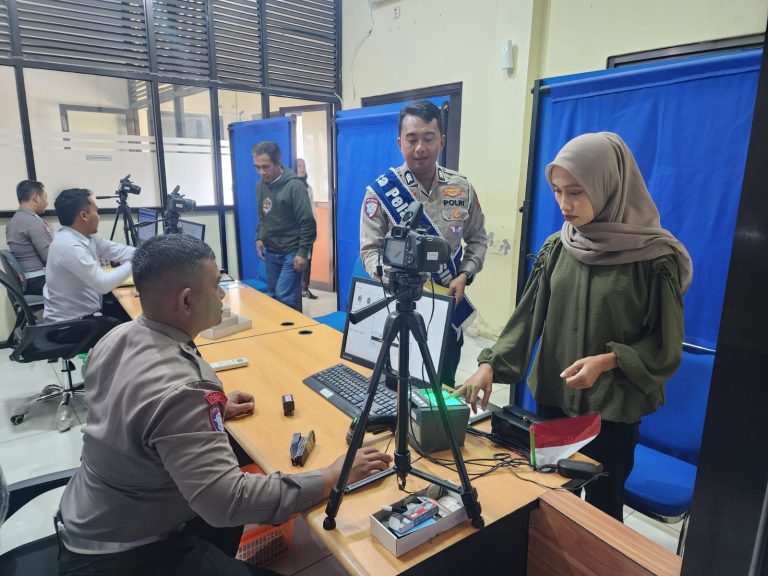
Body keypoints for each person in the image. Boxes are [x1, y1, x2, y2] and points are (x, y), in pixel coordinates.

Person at [57, 234, 392, 576]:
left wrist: (207, 412)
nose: (221, 295)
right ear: (186, 301)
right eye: (216, 285)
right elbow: (228, 502)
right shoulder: (184, 390)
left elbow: (139, 413)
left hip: (95, 517)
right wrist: (330, 476)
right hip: (130, 556)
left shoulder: (115, 338)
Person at [454, 132, 693, 521]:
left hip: (611, 411)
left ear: (608, 187)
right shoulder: (558, 248)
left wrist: (609, 361)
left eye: (576, 192)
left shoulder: (652, 260)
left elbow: (665, 344)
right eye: (557, 191)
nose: (564, 204)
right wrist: (490, 365)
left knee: (601, 512)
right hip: (555, 399)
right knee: (550, 499)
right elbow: (527, 316)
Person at [359, 100, 488, 387]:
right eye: (411, 139)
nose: (420, 148)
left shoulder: (462, 188)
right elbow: (370, 252)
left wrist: (464, 275)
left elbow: (478, 240)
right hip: (399, 310)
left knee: (440, 388)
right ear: (399, 143)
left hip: (447, 310)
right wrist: (395, 278)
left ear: (441, 141)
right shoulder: (381, 192)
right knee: (396, 390)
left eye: (428, 138)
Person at [44, 188, 135, 345]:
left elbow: (115, 250)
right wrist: (137, 261)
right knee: (130, 331)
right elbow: (103, 284)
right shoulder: (69, 246)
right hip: (68, 325)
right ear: (84, 216)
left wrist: (147, 250)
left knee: (127, 315)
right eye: (96, 212)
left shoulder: (86, 237)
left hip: (84, 315)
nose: (98, 217)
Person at [253, 142, 317, 312]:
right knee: (273, 297)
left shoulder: (294, 186)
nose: (261, 172)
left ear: (277, 163)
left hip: (292, 251)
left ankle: (296, 329)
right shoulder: (261, 185)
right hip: (272, 251)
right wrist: (259, 236)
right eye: (257, 167)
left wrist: (303, 253)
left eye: (265, 167)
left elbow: (308, 222)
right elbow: (262, 215)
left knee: (285, 298)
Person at [5, 180, 52, 295]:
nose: (47, 203)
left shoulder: (13, 221)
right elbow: (50, 257)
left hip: (27, 280)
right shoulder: (33, 222)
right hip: (39, 280)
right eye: (45, 198)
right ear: (36, 197)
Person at [296, 158, 318, 300]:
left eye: (303, 165)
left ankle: (305, 288)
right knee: (298, 259)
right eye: (299, 166)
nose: (302, 168)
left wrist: (314, 229)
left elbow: (312, 211)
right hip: (297, 232)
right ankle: (298, 289)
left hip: (308, 230)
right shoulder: (293, 186)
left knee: (308, 260)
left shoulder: (309, 188)